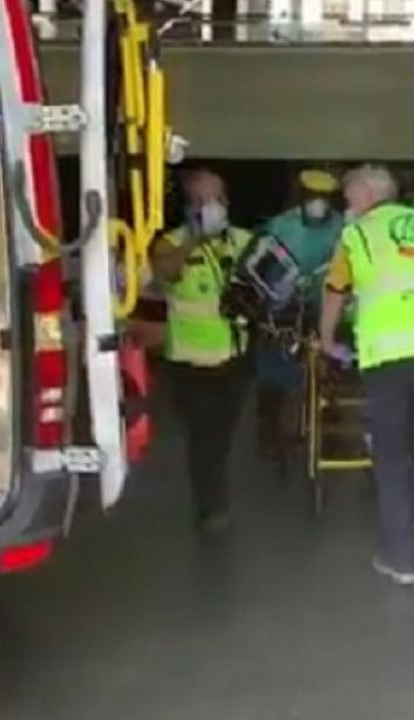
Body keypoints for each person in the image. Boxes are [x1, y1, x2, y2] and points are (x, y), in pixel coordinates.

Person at [319, 164, 414, 586]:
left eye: (351, 198)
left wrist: (326, 340)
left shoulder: (356, 236)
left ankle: (400, 558)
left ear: (368, 197)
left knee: (391, 458)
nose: (348, 207)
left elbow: (335, 293)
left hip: (390, 354)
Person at [151, 169, 254, 535]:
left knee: (222, 436)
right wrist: (195, 238)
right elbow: (165, 271)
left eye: (219, 199)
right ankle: (212, 505)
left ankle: (214, 489)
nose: (214, 207)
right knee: (204, 437)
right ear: (189, 206)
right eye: (204, 201)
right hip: (191, 364)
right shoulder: (171, 243)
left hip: (235, 357)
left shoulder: (243, 241)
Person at [254, 168, 344, 470]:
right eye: (312, 197)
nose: (318, 204)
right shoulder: (280, 227)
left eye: (324, 198)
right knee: (275, 375)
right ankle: (269, 434)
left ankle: (329, 427)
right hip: (284, 310)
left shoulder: (343, 229)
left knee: (331, 372)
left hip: (326, 310)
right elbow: (260, 266)